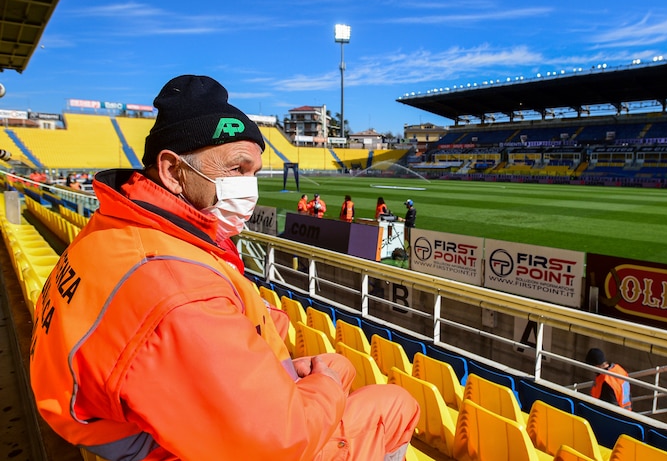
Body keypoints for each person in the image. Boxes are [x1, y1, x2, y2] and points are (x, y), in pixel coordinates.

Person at [29, 75, 419, 461]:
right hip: (173, 445)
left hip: (130, 423)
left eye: (254, 172)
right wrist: (328, 382)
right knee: (392, 403)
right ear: (172, 171)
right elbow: (278, 442)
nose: (249, 188)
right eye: (237, 169)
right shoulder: (177, 289)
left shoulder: (113, 228)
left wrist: (278, 365)